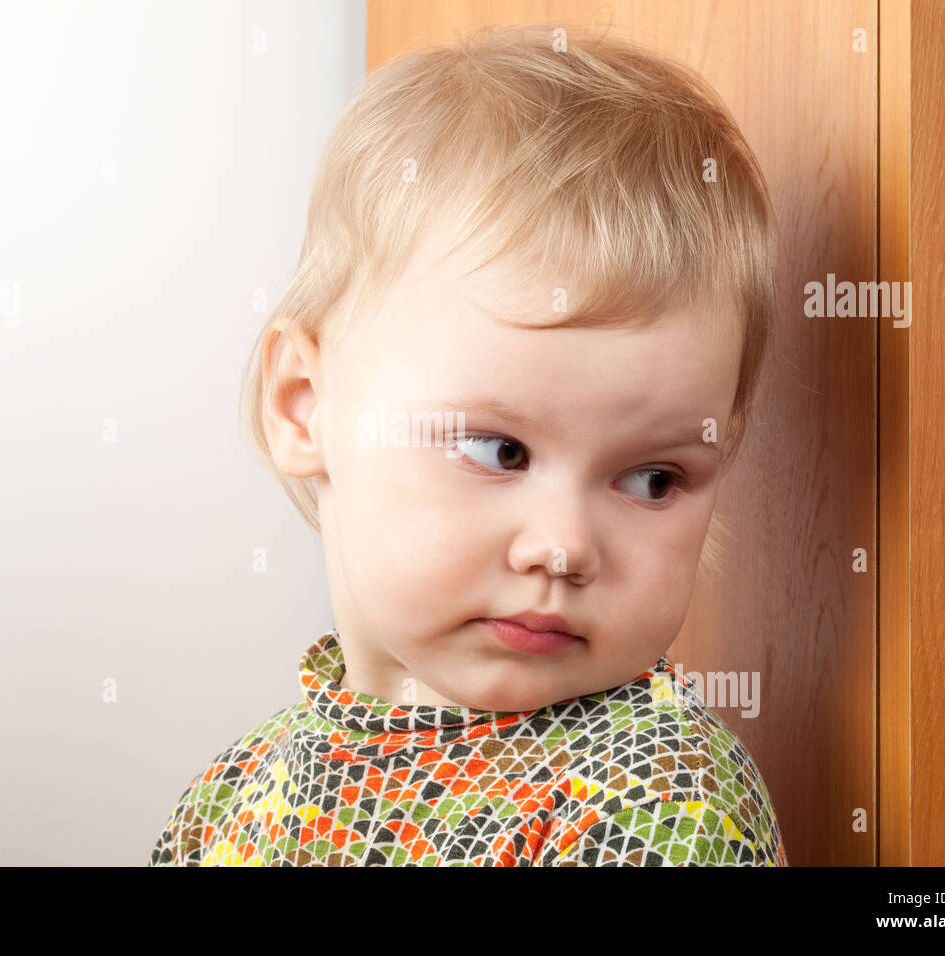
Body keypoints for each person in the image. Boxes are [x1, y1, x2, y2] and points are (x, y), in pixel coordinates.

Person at [149, 21, 786, 866]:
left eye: (651, 478)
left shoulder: (661, 798)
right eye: (500, 452)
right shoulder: (230, 798)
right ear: (306, 406)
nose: (564, 548)